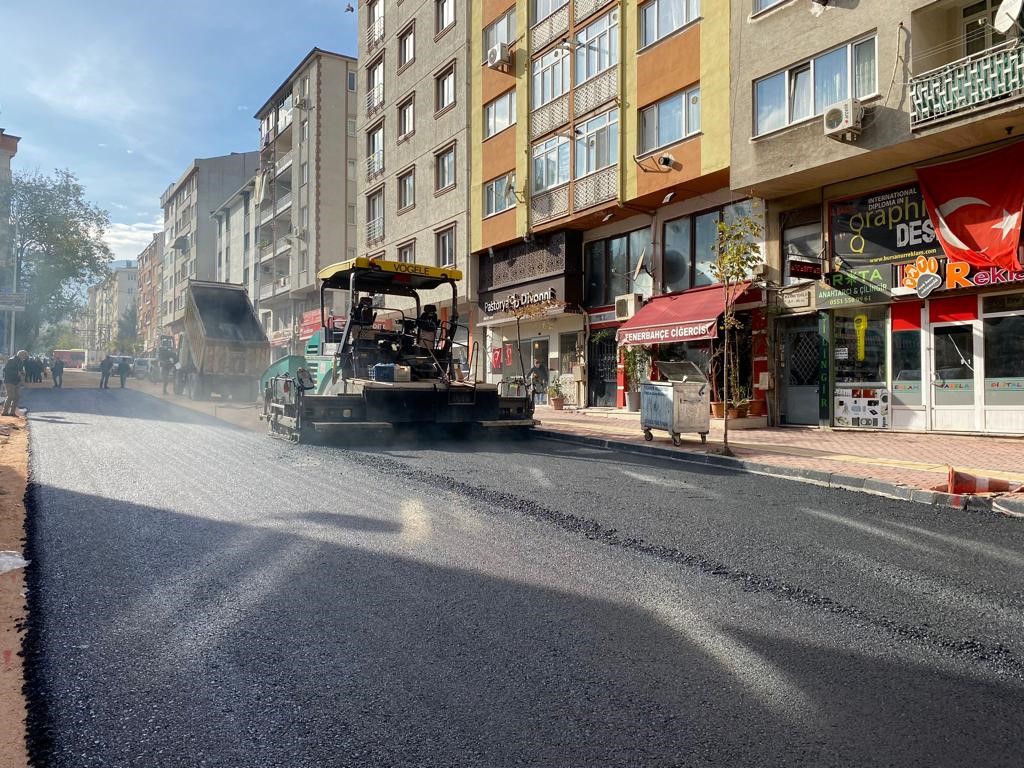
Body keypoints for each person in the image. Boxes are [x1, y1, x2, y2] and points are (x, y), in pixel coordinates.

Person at [2, 350, 29, 417]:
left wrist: (22, 372)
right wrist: (17, 373)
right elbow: (6, 370)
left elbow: (19, 370)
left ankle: (12, 412)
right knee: (10, 396)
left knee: (16, 397)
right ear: (21, 355)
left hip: (16, 381)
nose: (25, 357)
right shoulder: (12, 360)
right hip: (9, 381)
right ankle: (5, 412)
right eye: (25, 356)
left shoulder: (20, 361)